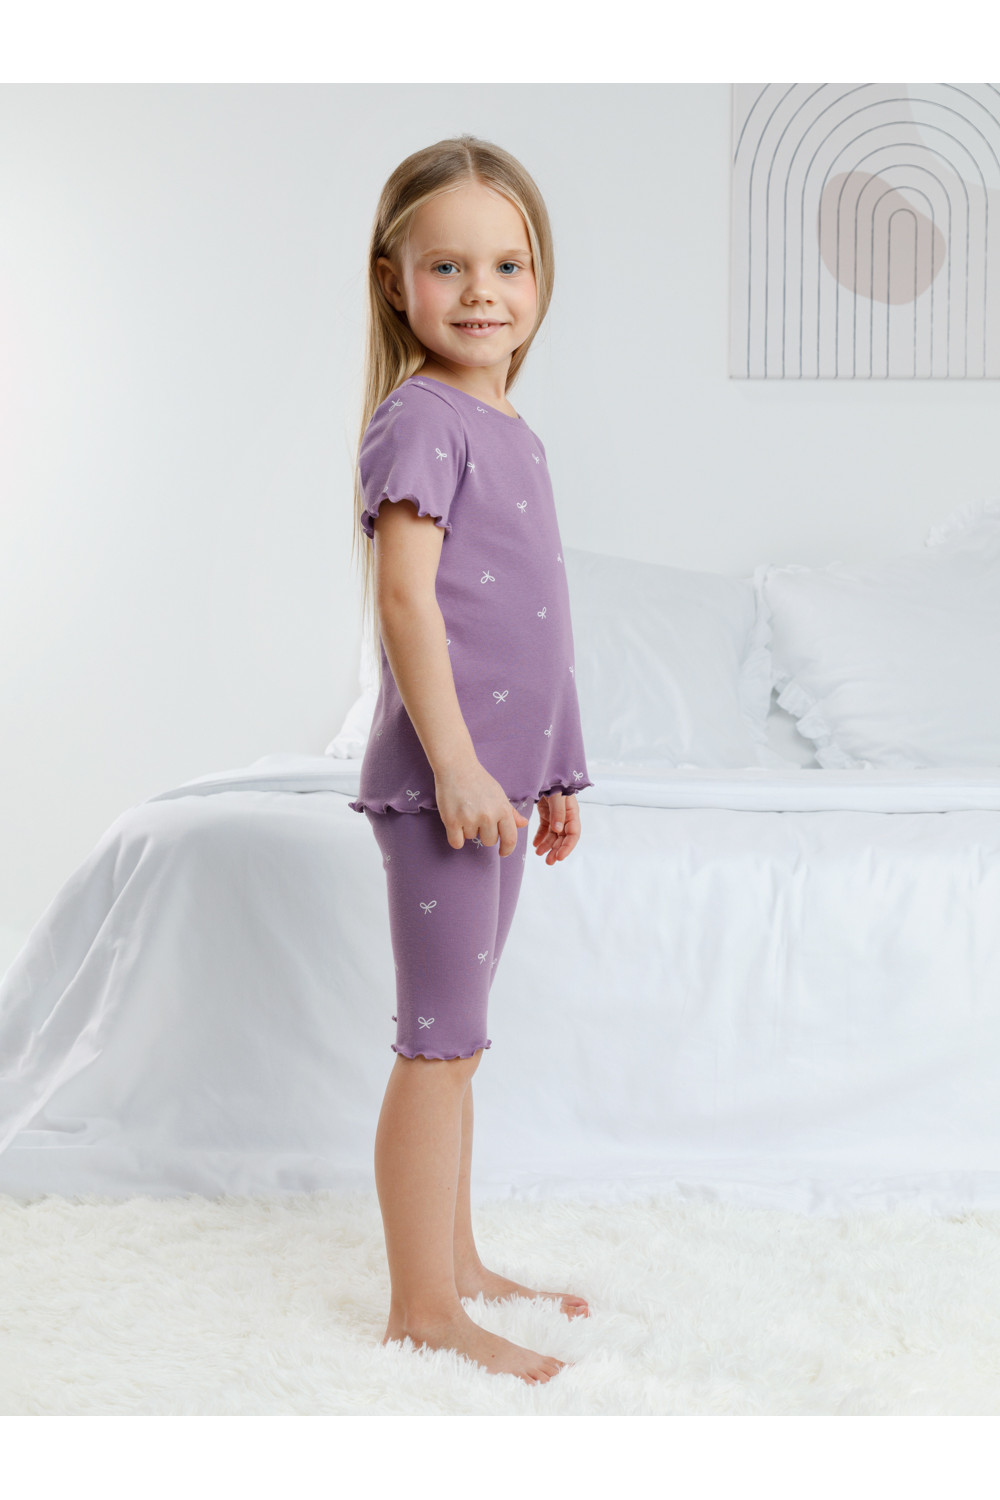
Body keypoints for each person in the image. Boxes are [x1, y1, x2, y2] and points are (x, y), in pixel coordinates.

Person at [347, 135, 594, 1386]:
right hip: (446, 787)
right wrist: (453, 764)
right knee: (436, 1046)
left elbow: (532, 622)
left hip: (498, 790)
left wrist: (552, 769)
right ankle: (422, 1310)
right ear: (397, 283)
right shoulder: (421, 419)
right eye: (448, 266)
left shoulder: (510, 429)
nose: (482, 291)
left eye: (507, 264)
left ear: (540, 279)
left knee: (465, 1042)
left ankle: (457, 1264)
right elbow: (407, 602)